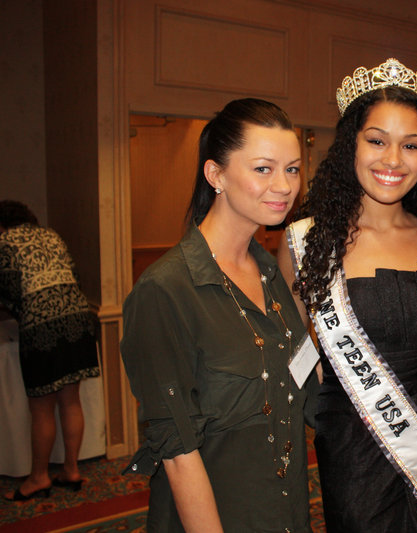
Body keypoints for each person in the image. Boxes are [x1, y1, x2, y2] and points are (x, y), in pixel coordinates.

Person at [278, 58, 417, 533]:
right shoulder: (306, 241)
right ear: (351, 145)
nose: (392, 160)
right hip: (353, 440)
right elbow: (288, 348)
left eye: (410, 145)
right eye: (377, 141)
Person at [120, 98, 318, 532]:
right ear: (216, 175)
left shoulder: (269, 272)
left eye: (293, 169)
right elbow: (178, 455)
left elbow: (304, 386)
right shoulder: (165, 290)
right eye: (263, 169)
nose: (285, 186)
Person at [0, 201, 100, 501]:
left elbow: (7, 290)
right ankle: (71, 470)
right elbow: (75, 279)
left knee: (41, 406)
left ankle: (39, 477)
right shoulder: (51, 235)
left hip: (41, 326)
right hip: (80, 321)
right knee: (70, 400)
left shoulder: (4, 242)